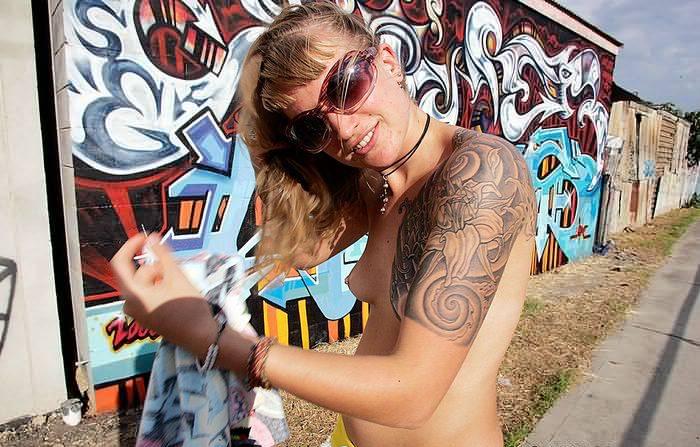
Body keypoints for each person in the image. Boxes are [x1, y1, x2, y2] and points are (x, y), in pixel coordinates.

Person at [110, 2, 537, 446]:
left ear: (388, 62)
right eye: (313, 127)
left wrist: (216, 341)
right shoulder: (378, 183)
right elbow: (297, 251)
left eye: (347, 85)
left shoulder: (481, 173)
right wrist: (270, 138)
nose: (344, 129)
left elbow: (411, 395)